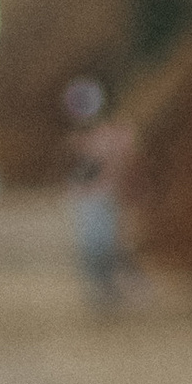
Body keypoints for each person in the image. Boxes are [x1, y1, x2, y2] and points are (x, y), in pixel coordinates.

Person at [61, 78, 137, 312]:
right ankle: (107, 291)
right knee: (96, 247)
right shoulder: (82, 139)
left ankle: (117, 289)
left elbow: (124, 165)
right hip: (93, 197)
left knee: (106, 245)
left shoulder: (115, 135)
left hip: (105, 197)